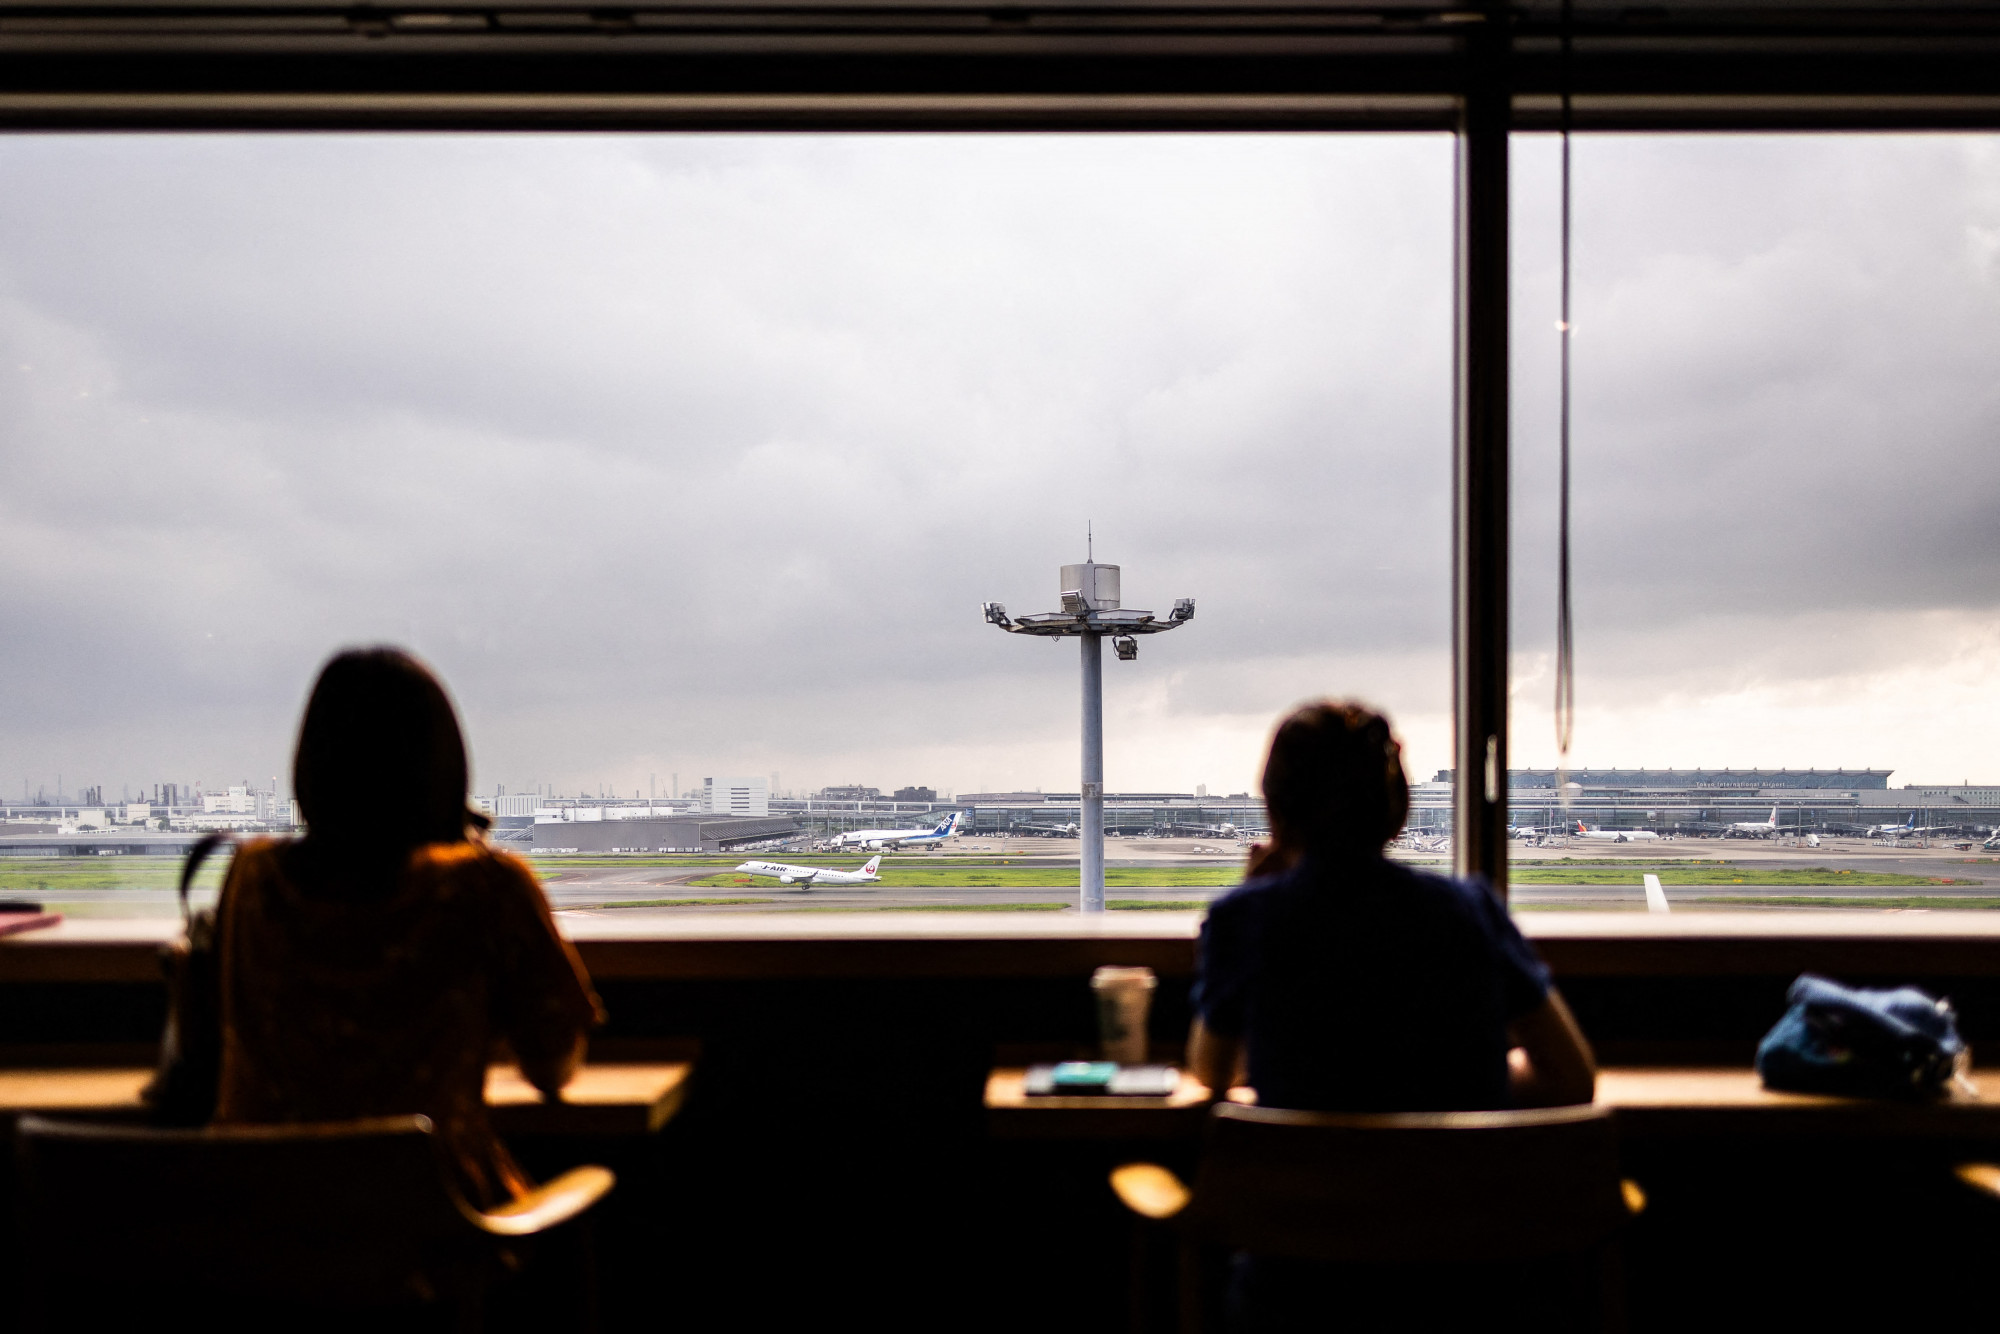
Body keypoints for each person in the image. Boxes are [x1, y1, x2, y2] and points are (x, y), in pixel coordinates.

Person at [213, 647, 604, 1208]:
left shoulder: (252, 879)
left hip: (259, 1237)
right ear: (443, 768)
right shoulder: (483, 884)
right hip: (432, 1242)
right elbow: (553, 1068)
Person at [1189, 700, 1594, 1113]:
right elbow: (1572, 1079)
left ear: (1274, 811)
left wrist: (1255, 894)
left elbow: (1212, 1072)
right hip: (1451, 1175)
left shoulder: (1245, 919)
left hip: (1306, 1176)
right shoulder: (1469, 911)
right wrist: (1474, 1082)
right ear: (1398, 811)